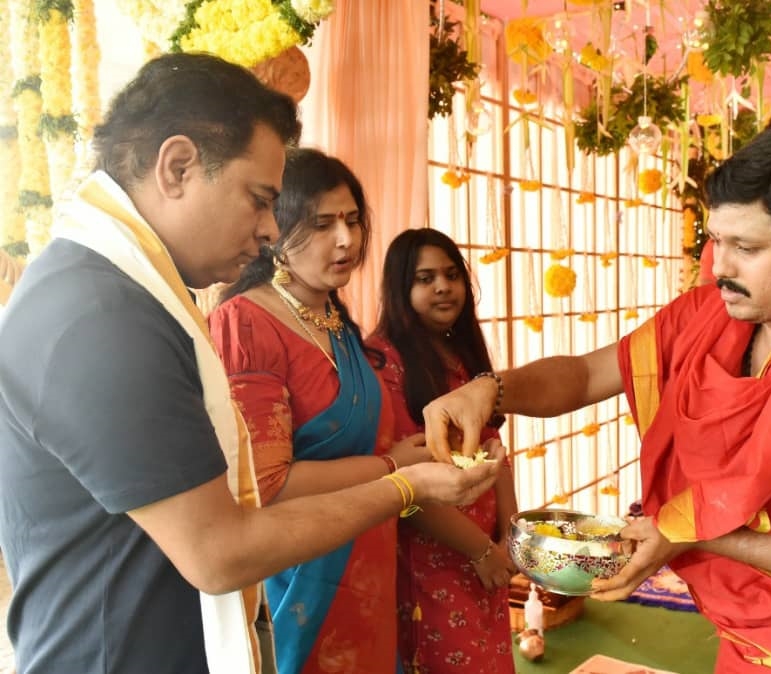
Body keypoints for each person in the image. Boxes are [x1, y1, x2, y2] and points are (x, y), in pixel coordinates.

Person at [421, 126, 771, 673]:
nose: (719, 268)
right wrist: (490, 389)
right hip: (744, 639)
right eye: (716, 241)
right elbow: (581, 376)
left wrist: (688, 531)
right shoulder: (707, 319)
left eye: (746, 247)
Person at [0, 53, 502, 674]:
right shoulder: (99, 316)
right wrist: (403, 483)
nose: (270, 229)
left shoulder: (119, 293)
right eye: (261, 200)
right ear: (177, 167)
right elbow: (220, 551)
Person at [208, 148, 461, 673]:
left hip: (368, 560)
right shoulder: (246, 324)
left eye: (351, 221)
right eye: (322, 224)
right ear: (275, 230)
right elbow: (267, 483)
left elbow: (374, 448)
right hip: (297, 574)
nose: (347, 239)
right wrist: (398, 469)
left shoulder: (337, 323)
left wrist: (415, 460)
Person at [367, 228, 517, 674]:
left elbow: (495, 449)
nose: (443, 287)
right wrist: (480, 551)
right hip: (431, 554)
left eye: (452, 275)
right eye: (425, 278)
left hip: (487, 549)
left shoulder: (463, 354)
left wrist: (510, 535)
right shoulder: (383, 360)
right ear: (399, 288)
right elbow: (402, 486)